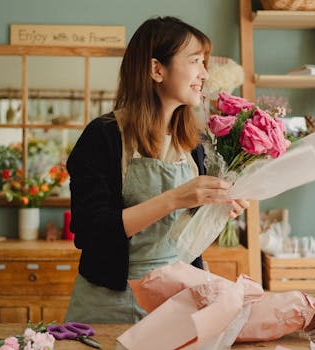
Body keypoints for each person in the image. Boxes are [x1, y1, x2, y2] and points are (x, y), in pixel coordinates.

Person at [64, 16, 249, 323]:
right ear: (156, 69)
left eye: (205, 63)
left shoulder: (195, 143)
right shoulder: (103, 136)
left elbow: (184, 235)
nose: (204, 73)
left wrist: (216, 209)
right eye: (195, 61)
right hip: (109, 305)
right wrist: (175, 198)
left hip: (176, 301)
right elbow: (91, 231)